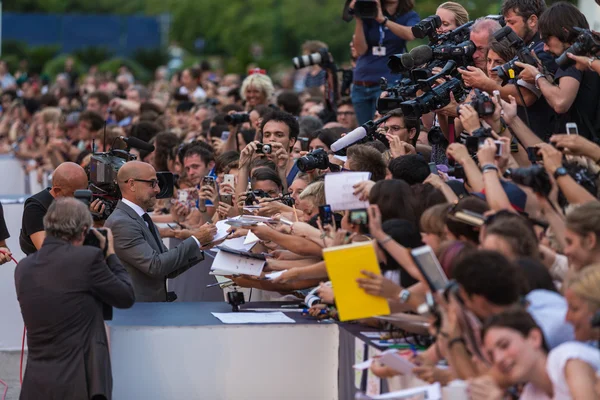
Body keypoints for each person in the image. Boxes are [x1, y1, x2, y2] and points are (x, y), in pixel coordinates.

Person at [15, 198, 135, 400]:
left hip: (36, 381)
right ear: (83, 230)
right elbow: (125, 296)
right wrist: (111, 254)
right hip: (79, 379)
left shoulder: (23, 268)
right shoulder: (87, 259)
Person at [104, 161, 216, 302]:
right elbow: (156, 266)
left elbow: (167, 267)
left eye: (157, 183)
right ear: (131, 184)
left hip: (149, 310)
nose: (157, 190)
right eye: (152, 183)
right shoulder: (122, 222)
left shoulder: (141, 217)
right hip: (135, 314)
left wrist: (198, 246)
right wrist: (195, 240)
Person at [517, 2, 600, 142]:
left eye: (546, 40)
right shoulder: (591, 55)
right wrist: (545, 76)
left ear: (564, 32)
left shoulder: (573, 58)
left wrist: (537, 77)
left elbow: (561, 102)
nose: (544, 48)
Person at [476, 308, 600, 400]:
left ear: (534, 338)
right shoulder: (530, 395)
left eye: (504, 345)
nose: (498, 359)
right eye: (491, 355)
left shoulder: (565, 358)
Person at [350, 0, 420, 124]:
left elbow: (411, 34)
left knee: (383, 127)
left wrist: (383, 20)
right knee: (364, 133)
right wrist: (359, 18)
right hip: (361, 81)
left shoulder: (409, 15)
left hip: (388, 81)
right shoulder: (369, 12)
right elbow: (360, 50)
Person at [19, 162, 89, 255]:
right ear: (57, 191)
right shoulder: (36, 208)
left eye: (85, 191)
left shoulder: (78, 206)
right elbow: (48, 252)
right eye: (76, 194)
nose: (82, 198)